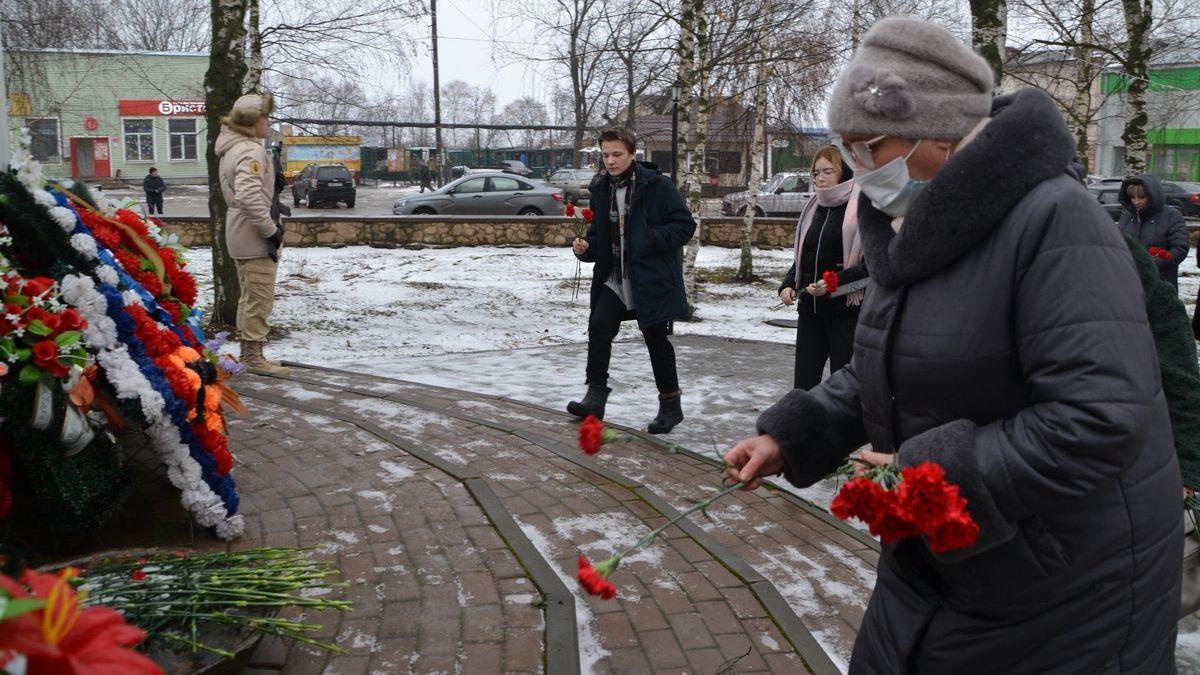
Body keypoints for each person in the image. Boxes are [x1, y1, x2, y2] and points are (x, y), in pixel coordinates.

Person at [723, 17, 1181, 673]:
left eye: (870, 147)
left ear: (940, 131)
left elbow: (1100, 414)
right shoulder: (912, 225)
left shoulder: (1055, 221)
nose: (859, 170)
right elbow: (884, 365)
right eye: (846, 150)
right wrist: (794, 434)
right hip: (951, 564)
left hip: (1063, 587)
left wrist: (936, 473)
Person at [567, 126, 696, 434]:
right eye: (605, 155)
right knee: (599, 327)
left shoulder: (657, 186)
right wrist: (586, 249)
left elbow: (684, 225)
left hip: (649, 281)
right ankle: (595, 398)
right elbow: (599, 235)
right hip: (614, 278)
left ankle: (670, 405)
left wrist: (648, 239)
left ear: (632, 154)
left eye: (617, 154)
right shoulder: (601, 188)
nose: (610, 161)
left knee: (655, 340)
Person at [777, 146, 866, 390]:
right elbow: (803, 256)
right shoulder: (812, 207)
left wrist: (833, 284)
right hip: (810, 315)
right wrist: (788, 284)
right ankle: (803, 428)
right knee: (803, 387)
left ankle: (844, 430)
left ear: (844, 172)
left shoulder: (861, 207)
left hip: (845, 316)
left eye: (828, 171)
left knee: (845, 388)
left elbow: (871, 267)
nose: (821, 178)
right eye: (816, 173)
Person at [215, 92, 289, 375]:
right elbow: (248, 196)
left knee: (250, 295)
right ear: (250, 121)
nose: (268, 122)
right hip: (253, 234)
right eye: (264, 117)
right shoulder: (250, 150)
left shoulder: (234, 148)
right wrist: (270, 230)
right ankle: (254, 357)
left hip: (240, 231)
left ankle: (251, 353)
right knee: (259, 296)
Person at [1118, 173, 1189, 288]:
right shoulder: (1127, 215)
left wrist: (1154, 263)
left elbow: (1180, 248)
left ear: (1152, 196)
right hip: (1129, 281)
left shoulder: (1171, 215)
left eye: (1141, 197)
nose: (1136, 202)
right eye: (1132, 197)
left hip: (1160, 282)